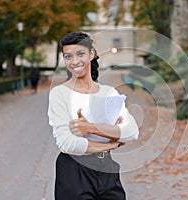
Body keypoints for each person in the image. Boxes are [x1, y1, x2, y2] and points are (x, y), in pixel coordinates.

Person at [47, 32, 139, 200]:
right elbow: (68, 144)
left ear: (91, 54)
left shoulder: (109, 93)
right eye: (68, 56)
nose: (74, 61)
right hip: (74, 172)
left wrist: (90, 128)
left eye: (80, 54)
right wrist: (111, 142)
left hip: (107, 169)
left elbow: (131, 132)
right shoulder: (59, 94)